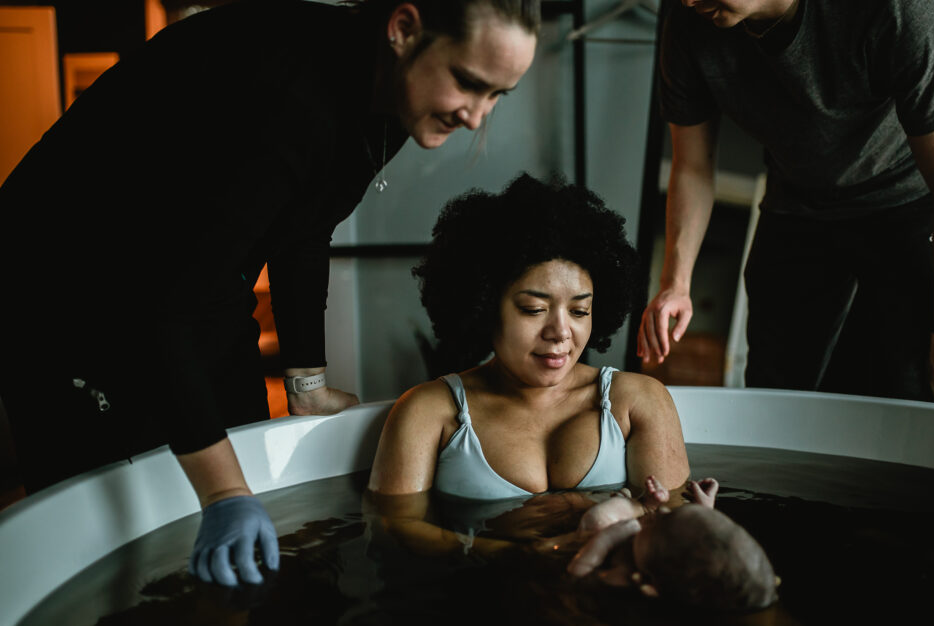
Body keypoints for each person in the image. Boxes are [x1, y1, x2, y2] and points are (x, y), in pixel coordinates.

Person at [0, 0, 539, 586]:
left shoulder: (392, 93)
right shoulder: (290, 94)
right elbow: (163, 306)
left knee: (245, 499)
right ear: (404, 30)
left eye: (497, 96)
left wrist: (305, 386)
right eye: (468, 84)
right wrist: (225, 493)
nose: (475, 117)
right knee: (118, 546)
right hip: (64, 296)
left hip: (190, 285)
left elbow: (305, 231)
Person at [637, 0, 934, 408]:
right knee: (775, 396)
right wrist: (675, 285)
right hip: (796, 204)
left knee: (909, 393)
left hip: (902, 202)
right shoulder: (688, 23)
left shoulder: (898, 10)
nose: (689, 0)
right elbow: (693, 167)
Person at [368, 173, 690, 509]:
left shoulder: (638, 402)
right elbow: (395, 532)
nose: (561, 331)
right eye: (533, 309)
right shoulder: (427, 411)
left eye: (580, 311)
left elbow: (674, 529)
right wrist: (507, 551)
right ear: (485, 306)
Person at [565, 474, 779, 613]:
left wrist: (604, 541)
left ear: (648, 585)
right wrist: (703, 510)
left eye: (662, 519)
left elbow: (578, 576)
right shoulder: (678, 565)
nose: (665, 510)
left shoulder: (621, 577)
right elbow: (700, 546)